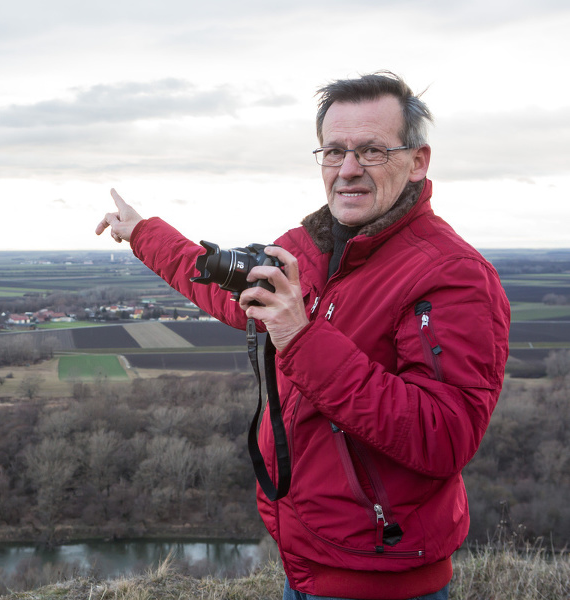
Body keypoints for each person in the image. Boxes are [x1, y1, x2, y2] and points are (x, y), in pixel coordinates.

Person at [95, 71, 510, 600]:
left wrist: (299, 335)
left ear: (418, 161)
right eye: (334, 151)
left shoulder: (453, 275)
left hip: (384, 578)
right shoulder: (308, 247)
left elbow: (442, 435)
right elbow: (230, 292)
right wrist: (145, 233)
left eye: (372, 151)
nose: (349, 170)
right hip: (307, 559)